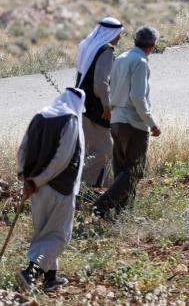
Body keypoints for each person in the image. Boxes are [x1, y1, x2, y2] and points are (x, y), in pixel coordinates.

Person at [16, 88, 86, 293]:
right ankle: (31, 272)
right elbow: (62, 160)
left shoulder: (40, 116)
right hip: (59, 188)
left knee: (44, 234)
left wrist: (25, 178)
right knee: (58, 236)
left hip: (36, 189)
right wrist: (38, 180)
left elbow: (23, 149)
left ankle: (51, 278)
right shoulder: (71, 120)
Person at [93, 26, 161, 218]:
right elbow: (138, 97)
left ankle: (123, 215)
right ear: (153, 46)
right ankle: (101, 206)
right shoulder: (140, 62)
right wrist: (152, 123)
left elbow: (111, 87)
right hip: (133, 123)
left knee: (122, 171)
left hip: (116, 121)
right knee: (135, 171)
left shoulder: (121, 58)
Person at [75, 17, 124, 188]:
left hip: (82, 104)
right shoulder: (106, 50)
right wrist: (106, 105)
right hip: (96, 108)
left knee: (90, 150)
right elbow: (100, 82)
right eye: (119, 34)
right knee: (104, 150)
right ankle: (83, 186)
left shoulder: (88, 46)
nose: (120, 38)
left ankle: (93, 186)